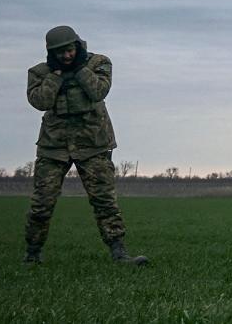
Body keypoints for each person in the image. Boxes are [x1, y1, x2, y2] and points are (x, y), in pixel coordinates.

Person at [22, 25, 147, 265]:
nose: (66, 56)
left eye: (70, 50)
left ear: (77, 46)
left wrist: (78, 69)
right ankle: (32, 254)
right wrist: (56, 75)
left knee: (105, 201)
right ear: (51, 53)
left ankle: (119, 253)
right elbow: (40, 101)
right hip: (54, 146)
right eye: (60, 53)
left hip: (94, 144)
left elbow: (98, 91)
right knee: (41, 203)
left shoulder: (99, 63)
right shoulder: (39, 73)